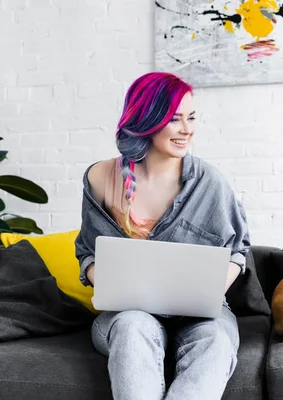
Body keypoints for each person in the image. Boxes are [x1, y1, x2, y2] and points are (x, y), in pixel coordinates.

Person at [74, 72, 251, 400]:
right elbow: (88, 252)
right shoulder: (101, 177)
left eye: (192, 117)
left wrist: (206, 291)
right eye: (174, 119)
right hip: (128, 313)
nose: (187, 129)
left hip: (201, 314)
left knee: (215, 341)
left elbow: (238, 250)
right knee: (131, 328)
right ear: (148, 119)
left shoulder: (209, 182)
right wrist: (116, 286)